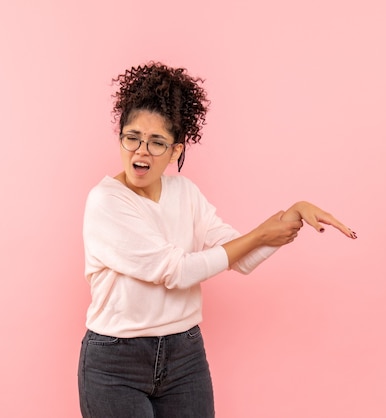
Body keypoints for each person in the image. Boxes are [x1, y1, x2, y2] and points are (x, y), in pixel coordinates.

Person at [78, 61, 357, 418]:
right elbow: (175, 271)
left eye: (156, 142)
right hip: (116, 363)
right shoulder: (106, 201)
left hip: (184, 356)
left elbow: (240, 257)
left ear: (176, 151)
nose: (140, 151)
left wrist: (291, 219)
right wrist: (260, 233)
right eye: (131, 137)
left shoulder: (186, 193)